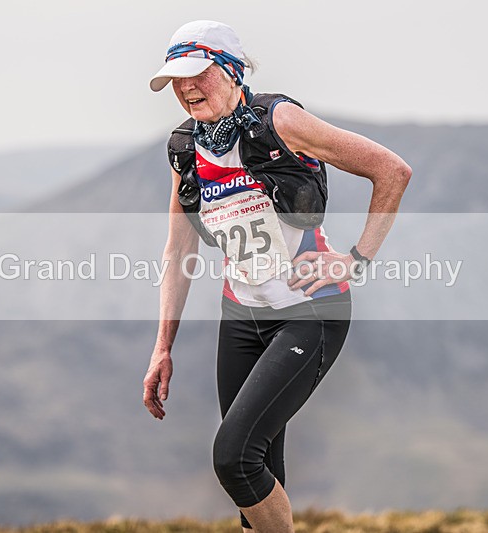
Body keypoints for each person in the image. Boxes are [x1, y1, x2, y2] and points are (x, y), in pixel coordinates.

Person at [142, 20, 411, 533]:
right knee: (259, 469)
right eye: (174, 80)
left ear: (230, 69)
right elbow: (179, 249)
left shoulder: (280, 121)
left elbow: (392, 171)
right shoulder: (185, 148)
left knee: (234, 458)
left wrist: (354, 260)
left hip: (309, 312)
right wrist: (162, 347)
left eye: (196, 73)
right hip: (241, 316)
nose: (184, 87)